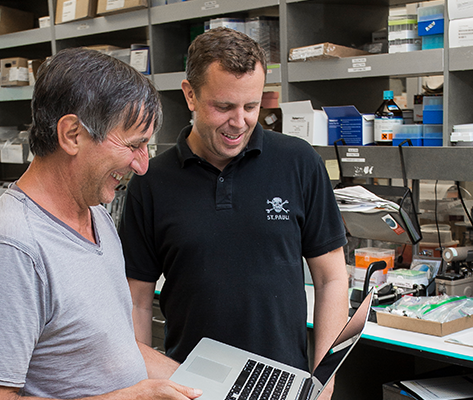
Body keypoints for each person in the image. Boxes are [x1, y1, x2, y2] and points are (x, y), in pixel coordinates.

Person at [0, 47, 202, 400]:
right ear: (72, 134)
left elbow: (113, 351)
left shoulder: (95, 213)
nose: (142, 165)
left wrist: (211, 387)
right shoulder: (12, 248)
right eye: (133, 145)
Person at [119, 27, 349, 399]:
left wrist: (323, 381)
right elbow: (136, 299)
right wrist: (143, 386)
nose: (239, 121)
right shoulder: (151, 180)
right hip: (192, 387)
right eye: (224, 106)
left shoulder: (299, 162)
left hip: (285, 387)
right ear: (190, 95)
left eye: (252, 106)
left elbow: (332, 280)